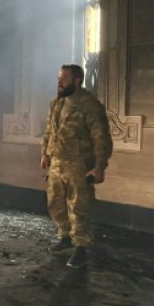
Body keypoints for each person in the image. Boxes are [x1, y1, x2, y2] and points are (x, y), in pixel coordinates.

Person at [40, 64, 113, 269]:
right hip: (56, 163)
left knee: (79, 206)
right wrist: (45, 153)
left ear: (77, 80)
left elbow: (101, 139)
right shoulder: (56, 103)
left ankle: (80, 247)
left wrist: (100, 166)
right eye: (58, 78)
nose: (59, 82)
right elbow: (49, 131)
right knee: (55, 203)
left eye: (63, 78)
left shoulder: (90, 106)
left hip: (79, 165)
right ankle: (65, 237)